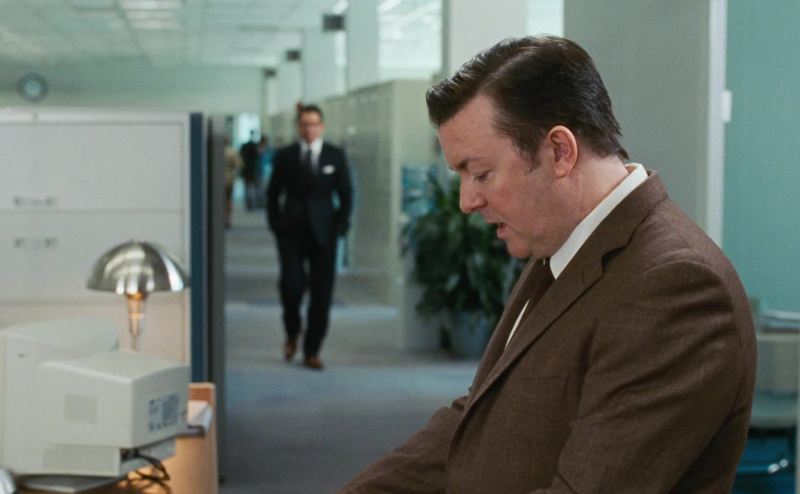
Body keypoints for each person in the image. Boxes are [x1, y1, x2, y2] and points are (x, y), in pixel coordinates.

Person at [339, 36, 755, 493]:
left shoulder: (676, 286)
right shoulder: (561, 244)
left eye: (481, 173)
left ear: (559, 151)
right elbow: (483, 416)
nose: (466, 201)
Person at [266, 104, 352, 370]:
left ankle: (312, 349)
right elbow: (273, 193)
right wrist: (276, 224)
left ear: (321, 126)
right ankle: (292, 331)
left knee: (321, 294)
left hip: (324, 233)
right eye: (305, 124)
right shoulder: (286, 155)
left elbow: (346, 194)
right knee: (291, 287)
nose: (309, 129)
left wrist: (340, 227)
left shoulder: (335, 155)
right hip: (291, 232)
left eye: (314, 124)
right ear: (298, 127)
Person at [240, 132, 266, 210]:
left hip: (246, 170)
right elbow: (259, 154)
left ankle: (249, 204)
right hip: (254, 170)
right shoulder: (255, 146)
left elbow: (241, 157)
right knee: (256, 187)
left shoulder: (244, 146)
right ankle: (257, 203)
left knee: (248, 187)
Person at [223, 136, 243, 229]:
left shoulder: (214, 150)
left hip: (217, 180)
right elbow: (239, 164)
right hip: (229, 179)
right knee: (228, 199)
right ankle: (227, 219)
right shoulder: (232, 152)